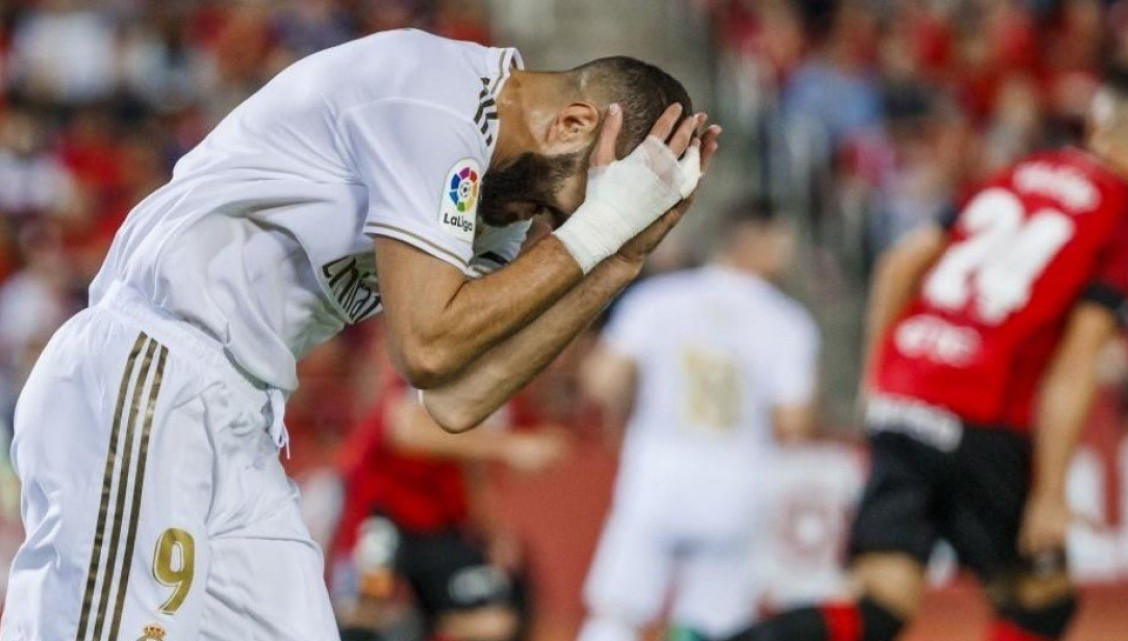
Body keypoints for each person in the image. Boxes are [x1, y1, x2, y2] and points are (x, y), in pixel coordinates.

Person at [1, 29, 721, 641]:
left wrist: (618, 262)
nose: (548, 226)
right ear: (569, 124)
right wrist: (595, 235)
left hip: (241, 412)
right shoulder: (432, 94)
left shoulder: (494, 197)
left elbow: (457, 398)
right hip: (151, 371)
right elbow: (426, 345)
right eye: (561, 207)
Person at [730, 65, 1128, 641]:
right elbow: (1076, 367)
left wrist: (880, 376)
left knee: (881, 603)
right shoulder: (1123, 213)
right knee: (1040, 602)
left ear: (1099, 126)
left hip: (906, 392)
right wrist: (1049, 495)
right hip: (981, 410)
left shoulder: (1021, 172)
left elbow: (902, 260)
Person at [577, 199, 820, 641]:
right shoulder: (787, 323)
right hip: (735, 481)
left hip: (656, 471)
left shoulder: (658, 299)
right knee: (706, 626)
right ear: (757, 241)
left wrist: (631, 410)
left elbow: (603, 379)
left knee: (617, 613)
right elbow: (792, 424)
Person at [332, 370, 568, 641]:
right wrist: (509, 446)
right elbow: (404, 427)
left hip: (440, 523)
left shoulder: (500, 390)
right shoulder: (448, 361)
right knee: (361, 616)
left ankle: (413, 624)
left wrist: (492, 532)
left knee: (496, 619)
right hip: (381, 510)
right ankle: (408, 623)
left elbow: (472, 467)